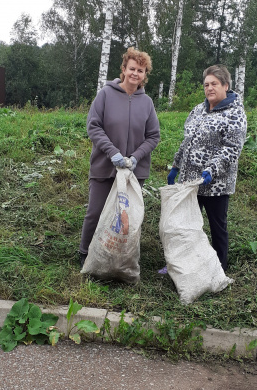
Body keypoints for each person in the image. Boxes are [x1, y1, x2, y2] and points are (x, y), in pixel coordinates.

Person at [79, 47, 160, 268]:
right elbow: (94, 127)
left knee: (126, 218)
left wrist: (136, 157)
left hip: (134, 173)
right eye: (132, 68)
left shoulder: (147, 103)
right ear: (123, 70)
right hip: (104, 166)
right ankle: (86, 254)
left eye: (141, 70)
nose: (135, 73)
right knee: (95, 212)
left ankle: (120, 259)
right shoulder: (106, 94)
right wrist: (112, 152)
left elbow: (153, 136)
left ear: (145, 75)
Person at [165, 64, 247, 272]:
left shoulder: (235, 114)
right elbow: (187, 142)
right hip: (190, 182)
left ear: (226, 86)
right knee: (186, 226)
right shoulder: (198, 110)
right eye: (206, 84)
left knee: (217, 227)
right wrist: (176, 165)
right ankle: (181, 265)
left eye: (214, 84)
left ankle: (219, 269)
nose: (209, 88)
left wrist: (211, 169)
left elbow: (232, 149)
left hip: (216, 184)